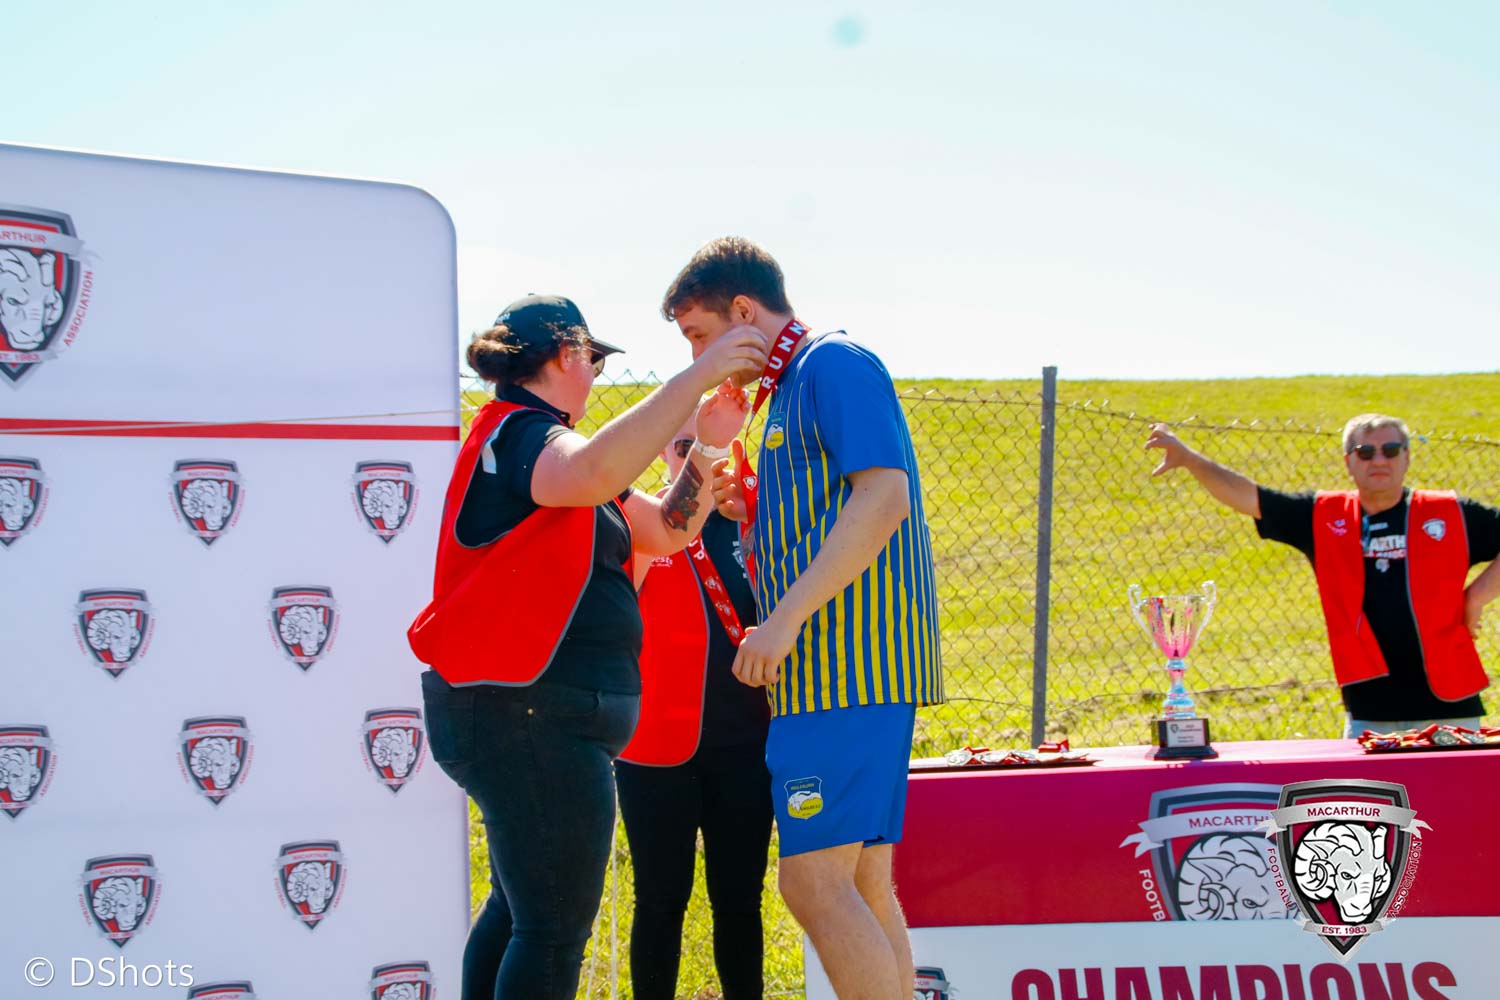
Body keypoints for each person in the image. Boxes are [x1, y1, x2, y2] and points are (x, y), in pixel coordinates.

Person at [408, 294, 767, 1000]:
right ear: (566, 355)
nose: (597, 376)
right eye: (595, 361)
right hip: (529, 716)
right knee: (550, 928)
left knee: (522, 911)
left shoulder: (554, 450)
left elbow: (668, 529)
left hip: (535, 716)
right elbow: (595, 473)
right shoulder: (522, 434)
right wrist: (695, 379)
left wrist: (709, 445)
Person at [662, 237, 943, 1000]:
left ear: (743, 311)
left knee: (813, 885)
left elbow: (884, 497)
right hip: (835, 677)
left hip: (844, 673)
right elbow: (832, 509)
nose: (696, 357)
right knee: (862, 882)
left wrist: (782, 621)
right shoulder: (789, 386)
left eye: (698, 334)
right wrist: (753, 511)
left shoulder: (832, 364)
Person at [1146, 413, 1500, 736]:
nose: (1379, 460)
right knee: (1374, 793)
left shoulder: (1450, 512)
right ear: (1348, 462)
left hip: (1452, 704)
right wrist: (1189, 459)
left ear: (1407, 457)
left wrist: (1476, 597)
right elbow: (1249, 498)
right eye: (1365, 452)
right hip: (1369, 710)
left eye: (1391, 450)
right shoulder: (1323, 514)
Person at [614, 422, 773, 1000]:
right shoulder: (638, 524)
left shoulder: (758, 525)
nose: (695, 459)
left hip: (746, 743)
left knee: (740, 899)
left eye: (708, 445)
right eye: (684, 446)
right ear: (662, 450)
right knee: (660, 899)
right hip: (654, 747)